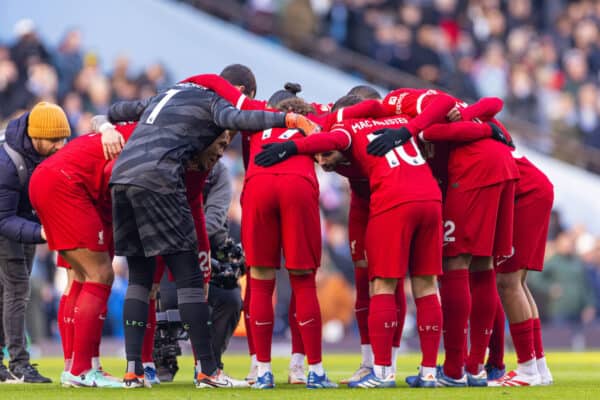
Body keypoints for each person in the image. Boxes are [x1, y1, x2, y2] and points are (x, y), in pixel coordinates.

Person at [106, 80, 319, 389]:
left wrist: (104, 126)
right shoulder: (213, 101)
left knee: (140, 277)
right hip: (160, 178)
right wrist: (287, 118)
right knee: (189, 277)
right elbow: (242, 118)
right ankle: (208, 370)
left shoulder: (165, 95)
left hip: (122, 177)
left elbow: (116, 111)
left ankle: (133, 371)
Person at [256, 93, 455, 388]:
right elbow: (444, 102)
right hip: (430, 200)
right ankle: (428, 372)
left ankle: (383, 373)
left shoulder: (346, 127)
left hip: (393, 201)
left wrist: (289, 147)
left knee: (382, 284)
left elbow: (325, 141)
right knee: (426, 285)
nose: (321, 162)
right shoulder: (400, 119)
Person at [29, 121, 136, 388]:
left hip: (65, 185)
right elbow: (116, 173)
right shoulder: (148, 138)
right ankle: (81, 370)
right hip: (70, 188)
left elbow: (100, 118)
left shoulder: (126, 129)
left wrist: (106, 126)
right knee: (99, 275)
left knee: (77, 278)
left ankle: (79, 364)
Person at [0, 102, 70, 383]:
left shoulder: (41, 150)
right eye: (53, 140)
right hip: (7, 223)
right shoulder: (6, 163)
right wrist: (42, 232)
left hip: (24, 220)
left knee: (6, 294)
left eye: (63, 138)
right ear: (35, 136)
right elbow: (3, 219)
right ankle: (19, 363)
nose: (59, 146)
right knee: (17, 291)